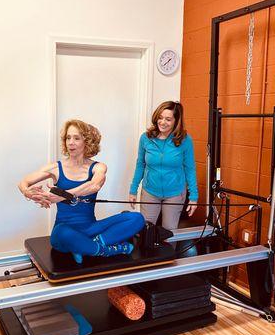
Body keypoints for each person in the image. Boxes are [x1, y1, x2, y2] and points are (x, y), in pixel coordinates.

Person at [18, 119, 145, 264]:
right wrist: (28, 192)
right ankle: (107, 250)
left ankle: (85, 247)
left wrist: (62, 195)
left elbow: (94, 185)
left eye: (76, 138)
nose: (70, 142)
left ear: (87, 142)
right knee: (60, 233)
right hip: (66, 230)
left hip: (91, 228)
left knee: (136, 218)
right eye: (68, 138)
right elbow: (23, 182)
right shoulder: (55, 168)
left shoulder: (98, 167)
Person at [129, 101, 198, 256]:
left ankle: (166, 265)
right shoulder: (146, 138)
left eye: (168, 119)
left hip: (175, 192)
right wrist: (133, 189)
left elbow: (190, 169)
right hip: (150, 190)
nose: (162, 122)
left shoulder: (185, 140)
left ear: (176, 121)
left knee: (169, 232)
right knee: (146, 229)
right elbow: (140, 164)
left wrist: (193, 197)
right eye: (160, 118)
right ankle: (146, 264)